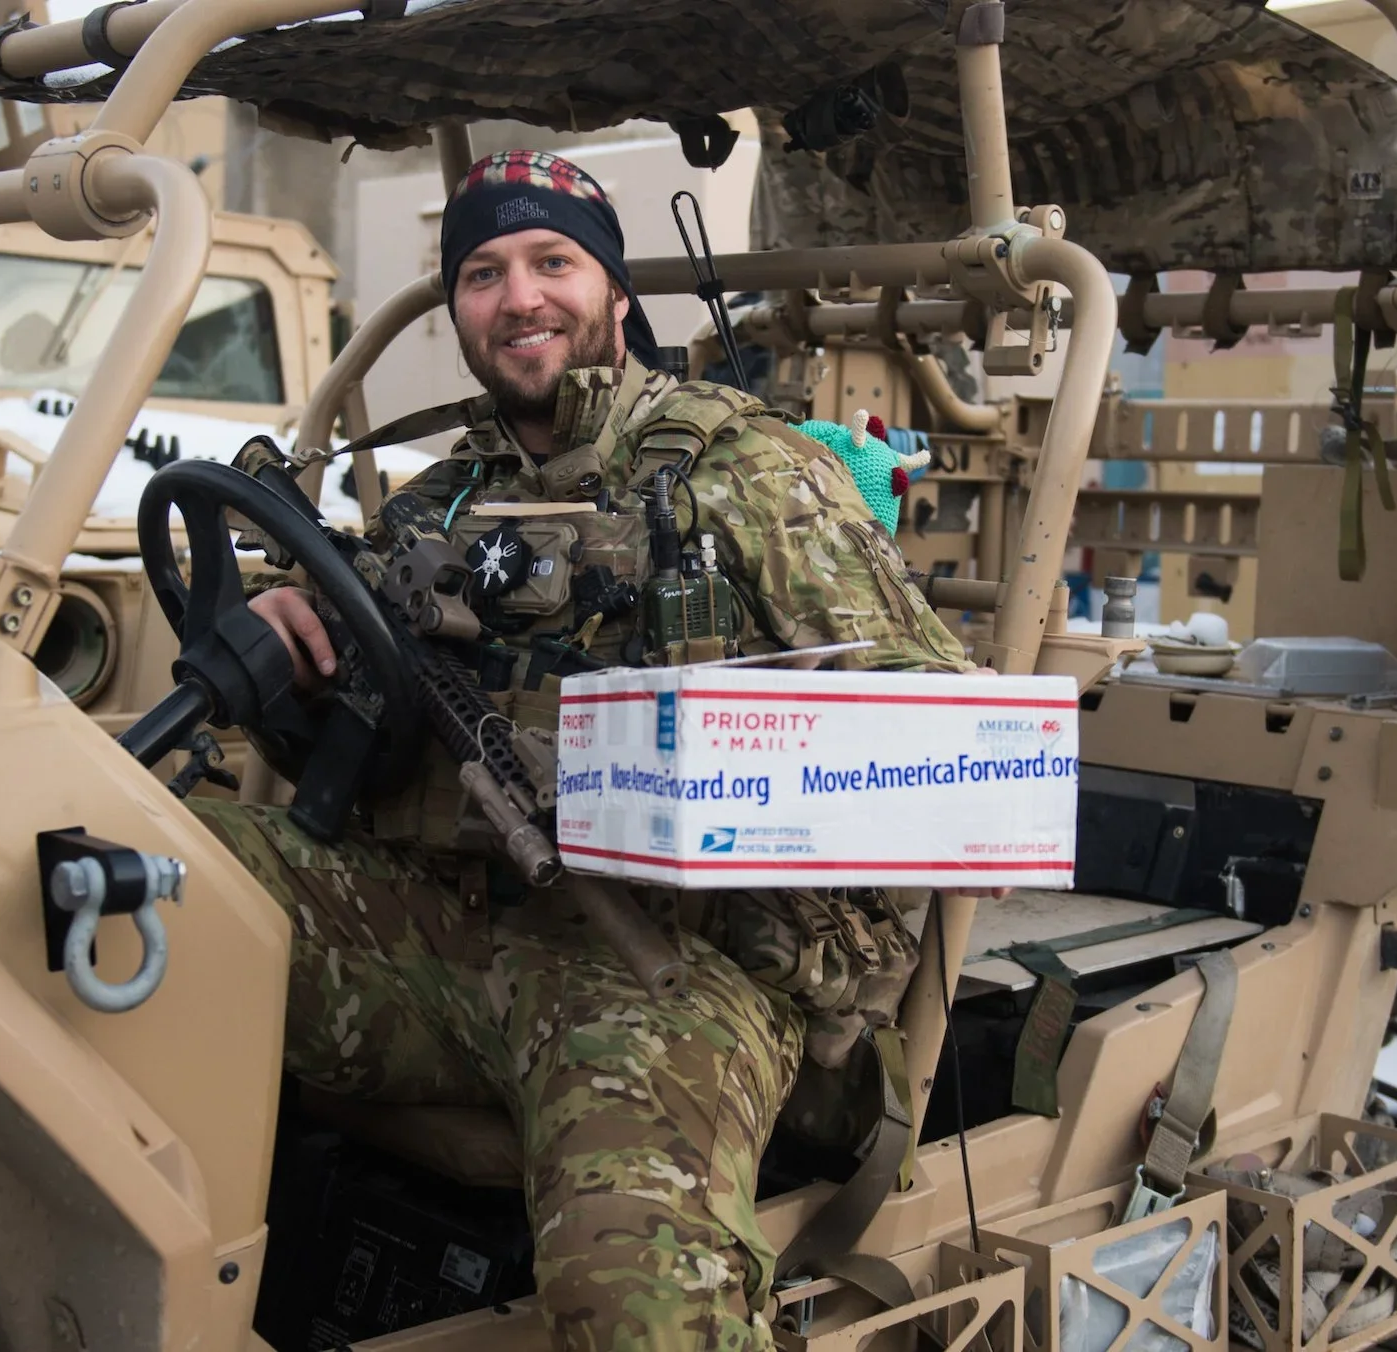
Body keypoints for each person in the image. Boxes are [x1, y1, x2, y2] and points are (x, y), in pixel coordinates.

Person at [189, 149, 974, 1351]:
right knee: (141, 876)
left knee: (638, 1305)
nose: (520, 297)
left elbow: (942, 742)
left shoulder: (749, 474)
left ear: (611, 289)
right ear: (457, 306)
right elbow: (358, 727)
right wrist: (290, 643)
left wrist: (688, 758)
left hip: (668, 966)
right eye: (484, 272)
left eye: (554, 261)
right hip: (442, 932)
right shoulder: (435, 504)